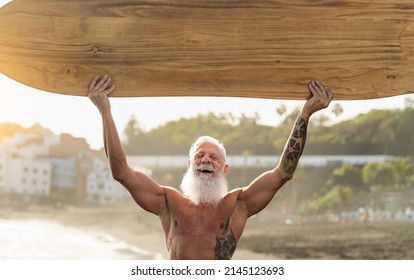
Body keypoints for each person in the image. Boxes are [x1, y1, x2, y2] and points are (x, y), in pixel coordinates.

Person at [88, 75, 333, 260]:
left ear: (224, 168)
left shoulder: (238, 204)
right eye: (200, 155)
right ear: (189, 165)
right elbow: (122, 172)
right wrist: (104, 111)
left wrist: (306, 113)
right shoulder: (168, 202)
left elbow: (283, 172)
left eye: (214, 157)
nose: (206, 159)